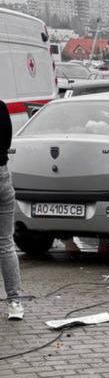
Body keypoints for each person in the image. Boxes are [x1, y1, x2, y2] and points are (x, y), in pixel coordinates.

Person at [0, 100, 23, 320]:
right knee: (5, 243)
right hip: (2, 176)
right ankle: (15, 302)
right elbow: (6, 142)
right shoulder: (0, 107)